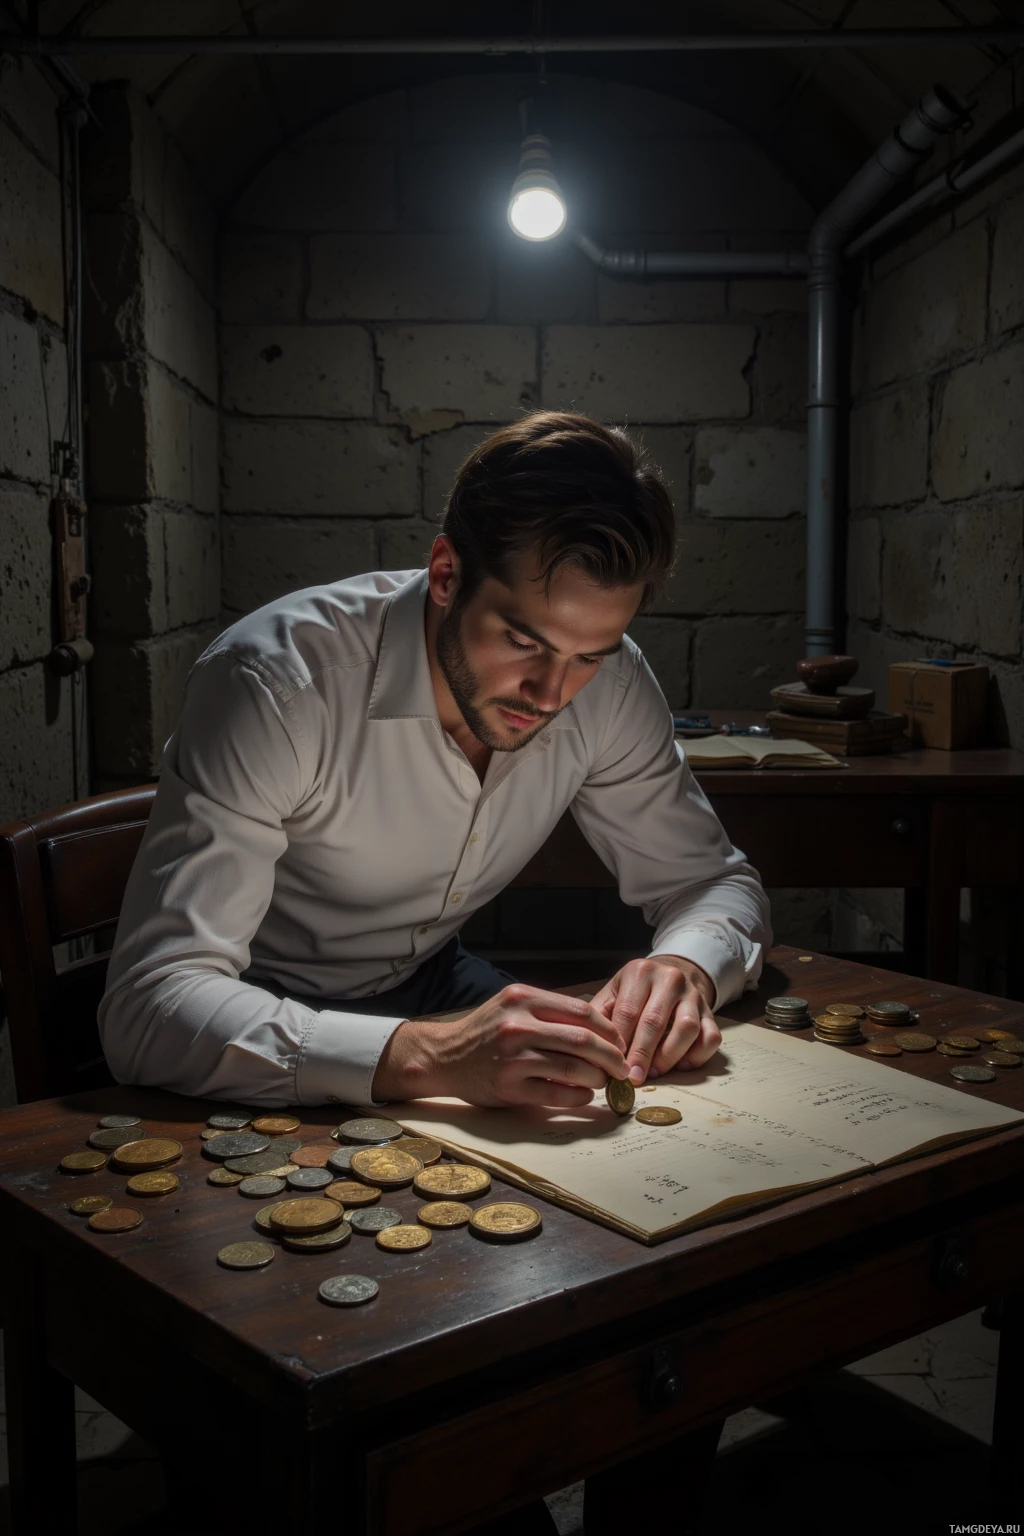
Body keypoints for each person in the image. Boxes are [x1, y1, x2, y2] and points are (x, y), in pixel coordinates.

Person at [99, 411, 771, 1110]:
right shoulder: (273, 683)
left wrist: (685, 966)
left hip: (435, 982)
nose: (551, 694)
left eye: (588, 657)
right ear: (446, 574)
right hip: (251, 1007)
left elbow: (714, 884)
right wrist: (426, 1055)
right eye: (522, 640)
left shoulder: (614, 683)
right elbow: (149, 1007)